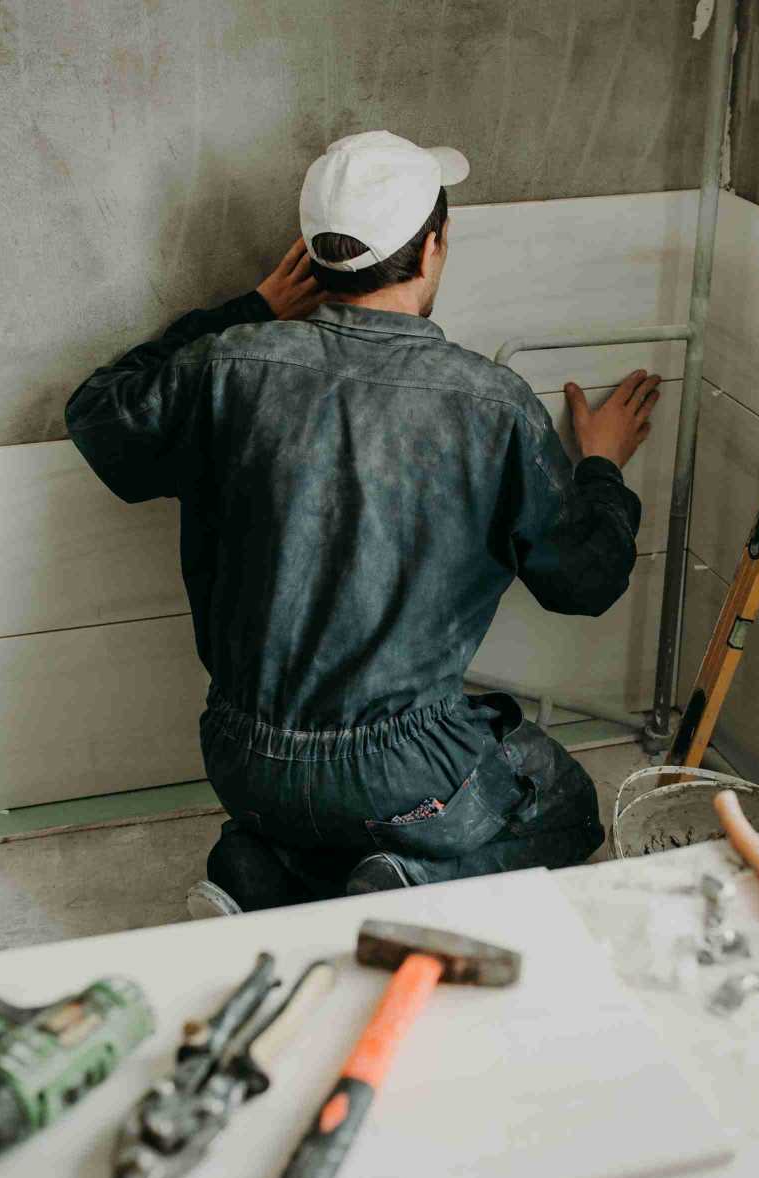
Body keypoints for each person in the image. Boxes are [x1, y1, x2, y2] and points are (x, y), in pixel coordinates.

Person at [65, 130, 659, 915]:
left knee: (322, 808)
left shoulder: (229, 366)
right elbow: (585, 582)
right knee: (564, 803)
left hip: (243, 755)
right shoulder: (488, 403)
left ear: (314, 254)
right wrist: (601, 468)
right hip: (401, 773)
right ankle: (412, 880)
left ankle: (257, 868)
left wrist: (250, 308)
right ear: (436, 244)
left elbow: (98, 416)